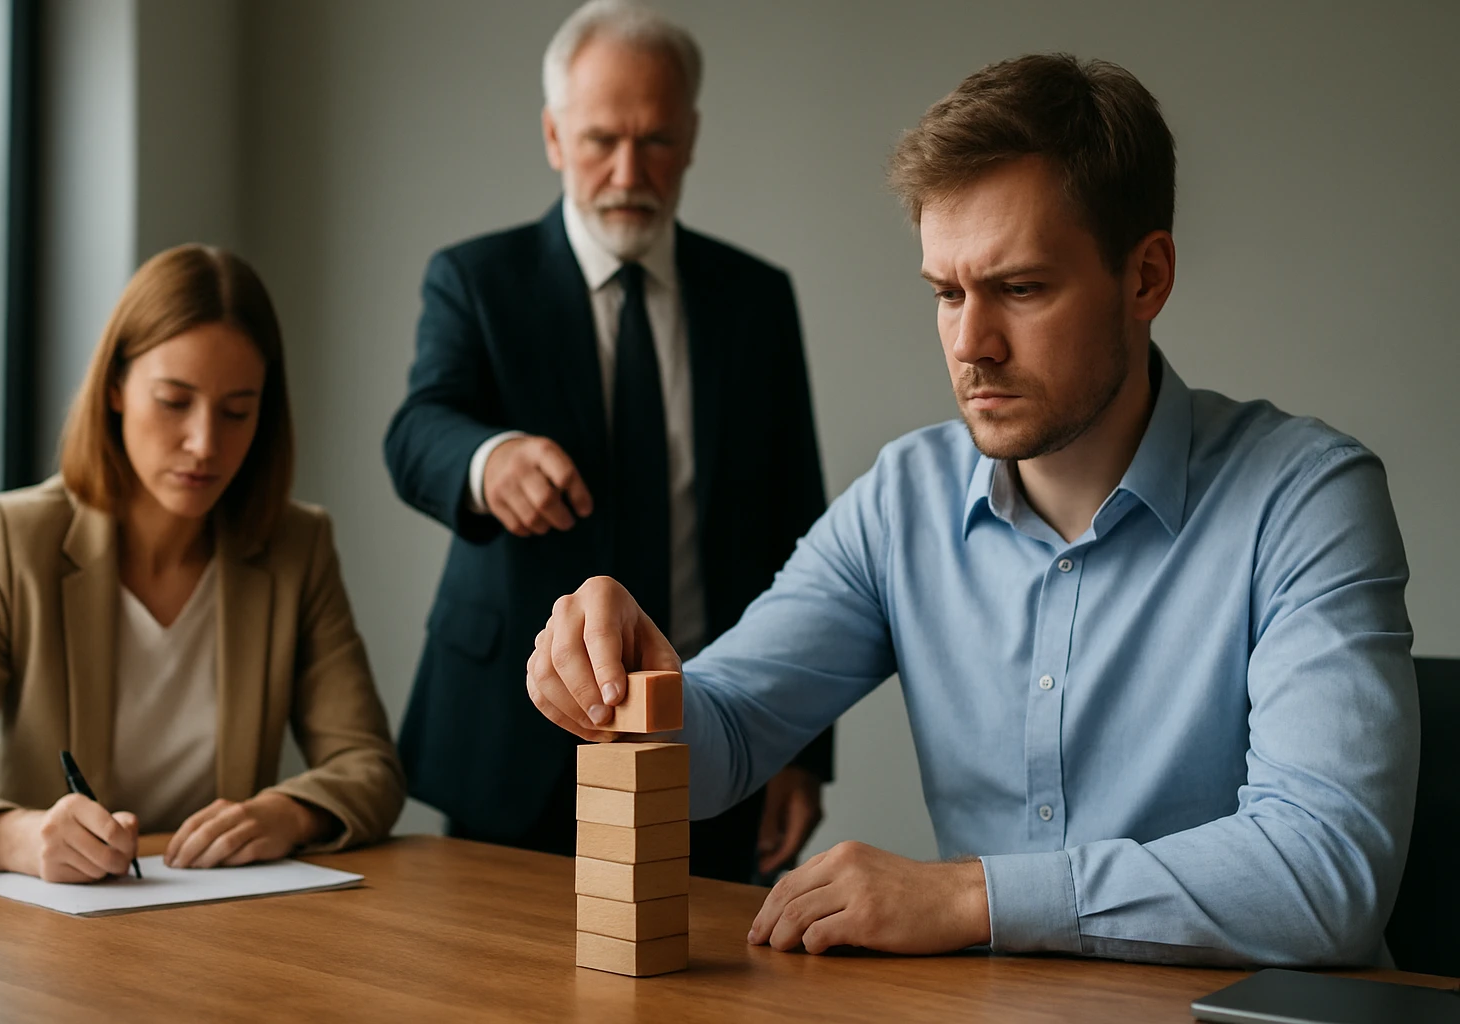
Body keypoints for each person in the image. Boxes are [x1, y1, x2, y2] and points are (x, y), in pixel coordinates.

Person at [524, 53, 1419, 966]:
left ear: (1146, 278)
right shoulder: (902, 500)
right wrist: (634, 682)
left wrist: (970, 895)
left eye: (1020, 289)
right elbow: (728, 732)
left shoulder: (1308, 499)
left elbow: (1326, 873)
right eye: (946, 293)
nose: (970, 344)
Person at [385, 1, 834, 883]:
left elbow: (800, 521)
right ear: (555, 136)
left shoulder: (755, 299)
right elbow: (417, 431)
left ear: (692, 137)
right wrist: (489, 460)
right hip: (507, 740)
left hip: (706, 733)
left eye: (657, 140)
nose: (629, 171)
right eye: (600, 140)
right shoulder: (476, 280)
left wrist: (801, 747)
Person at [0, 244, 404, 884]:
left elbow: (367, 764)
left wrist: (287, 814)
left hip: (218, 928)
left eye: (237, 411)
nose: (205, 443)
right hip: (44, 933)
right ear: (116, 388)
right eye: (174, 401)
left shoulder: (296, 546)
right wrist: (15, 837)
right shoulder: (15, 539)